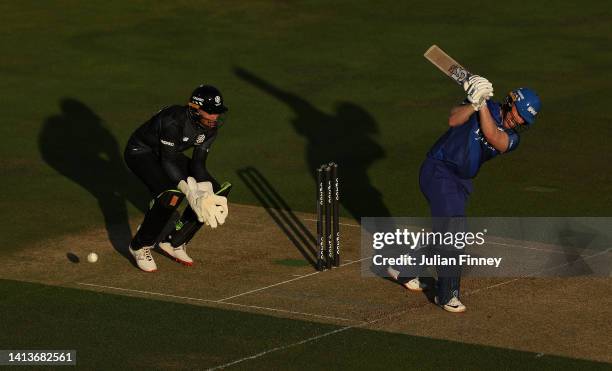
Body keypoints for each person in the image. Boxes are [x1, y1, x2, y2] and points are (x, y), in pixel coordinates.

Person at [390, 77, 541, 312]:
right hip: (438, 169)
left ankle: (405, 267)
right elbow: (453, 119)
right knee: (454, 230)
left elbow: (494, 138)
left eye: (524, 119)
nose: (518, 119)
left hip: (460, 181)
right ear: (511, 102)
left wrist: (480, 105)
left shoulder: (513, 138)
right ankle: (447, 294)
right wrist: (473, 103)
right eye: (519, 112)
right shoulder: (484, 105)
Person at [123, 85, 231, 272]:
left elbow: (198, 165)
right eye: (211, 112)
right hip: (141, 152)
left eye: (217, 112)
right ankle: (140, 246)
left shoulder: (210, 128)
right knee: (170, 194)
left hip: (168, 154)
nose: (215, 117)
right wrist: (190, 191)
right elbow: (168, 162)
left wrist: (204, 190)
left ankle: (175, 241)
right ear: (195, 109)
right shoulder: (174, 120)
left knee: (212, 191)